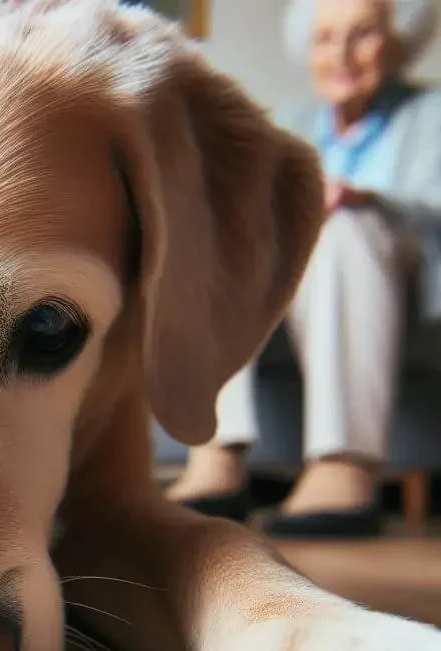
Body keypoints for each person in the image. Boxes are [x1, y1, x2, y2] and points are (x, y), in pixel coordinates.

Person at [167, 0, 441, 537]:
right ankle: (217, 458)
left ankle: (345, 465)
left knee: (338, 225)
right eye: (325, 39)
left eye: (361, 35)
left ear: (397, 41)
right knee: (229, 232)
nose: (340, 54)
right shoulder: (286, 124)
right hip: (293, 300)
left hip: (402, 291)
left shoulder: (431, 118)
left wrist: (369, 200)